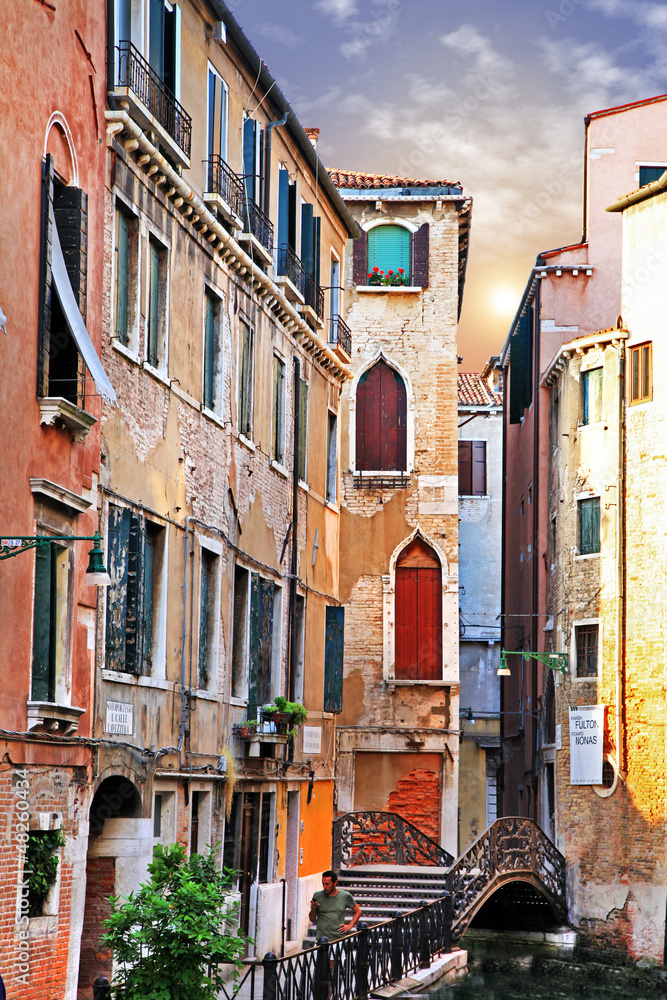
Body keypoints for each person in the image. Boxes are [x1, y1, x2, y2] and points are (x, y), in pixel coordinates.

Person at [309, 869, 361, 941]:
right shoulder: (317, 896)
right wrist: (313, 908)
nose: (324, 887)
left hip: (338, 939)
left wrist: (350, 925)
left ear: (335, 882)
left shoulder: (345, 896)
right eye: (323, 884)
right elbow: (312, 919)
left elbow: (358, 911)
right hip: (321, 940)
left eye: (327, 884)